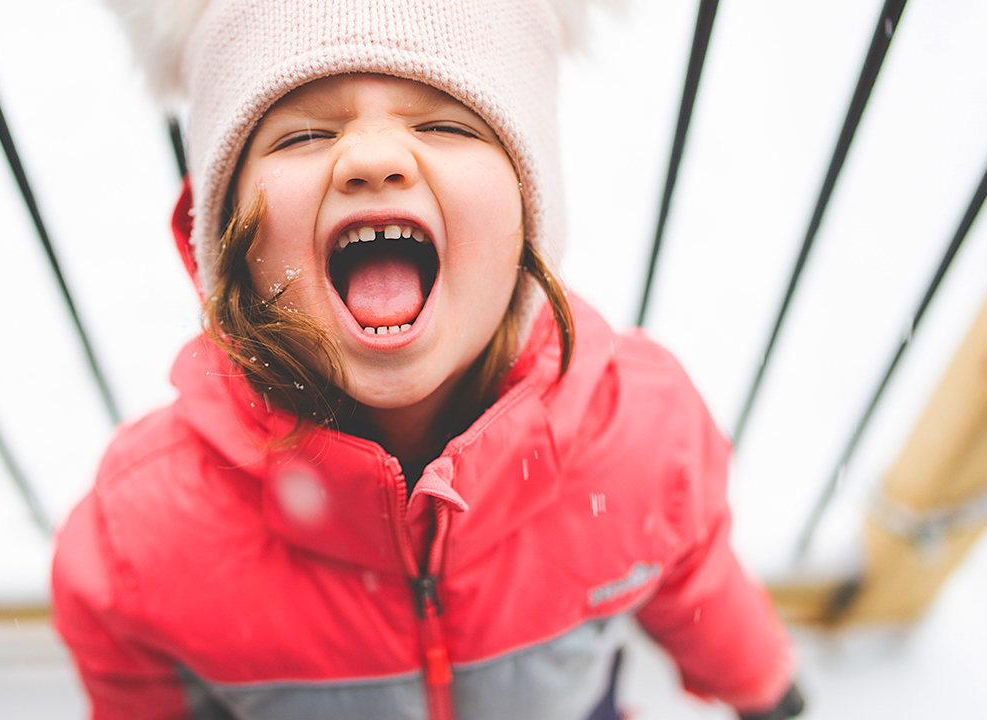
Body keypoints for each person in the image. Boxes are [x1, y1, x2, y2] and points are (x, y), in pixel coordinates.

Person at [52, 1, 806, 718]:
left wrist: (760, 684)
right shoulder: (145, 532)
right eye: (303, 136)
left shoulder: (639, 433)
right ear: (222, 244)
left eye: (446, 124)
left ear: (528, 216)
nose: (373, 158)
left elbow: (695, 580)